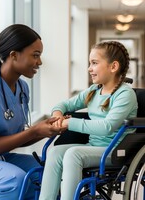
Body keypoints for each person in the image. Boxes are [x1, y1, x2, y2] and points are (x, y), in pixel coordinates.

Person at [39, 40, 138, 200]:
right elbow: (64, 104)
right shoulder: (94, 91)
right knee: (56, 152)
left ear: (113, 67)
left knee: (73, 154)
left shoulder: (125, 94)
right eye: (89, 63)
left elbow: (107, 127)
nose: (89, 69)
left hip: (116, 151)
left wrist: (69, 123)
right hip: (93, 147)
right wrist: (58, 115)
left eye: (94, 63)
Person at [0, 24, 66, 200]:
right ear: (13, 55)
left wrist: (47, 130)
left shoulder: (22, 88)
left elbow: (16, 138)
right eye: (35, 55)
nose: (39, 62)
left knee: (47, 173)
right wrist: (34, 131)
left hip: (0, 157)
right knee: (13, 180)